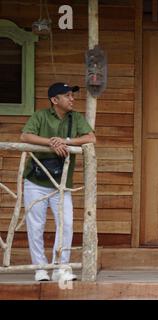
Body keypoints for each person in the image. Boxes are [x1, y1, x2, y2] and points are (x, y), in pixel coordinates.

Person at [21, 82, 96, 282]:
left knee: (66, 224)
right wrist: (51, 142)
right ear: (55, 100)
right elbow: (25, 135)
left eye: (72, 95)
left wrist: (66, 141)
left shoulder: (76, 117)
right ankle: (40, 268)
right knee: (36, 225)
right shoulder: (40, 116)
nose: (72, 99)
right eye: (67, 96)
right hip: (35, 181)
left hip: (62, 183)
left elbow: (91, 138)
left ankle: (61, 268)